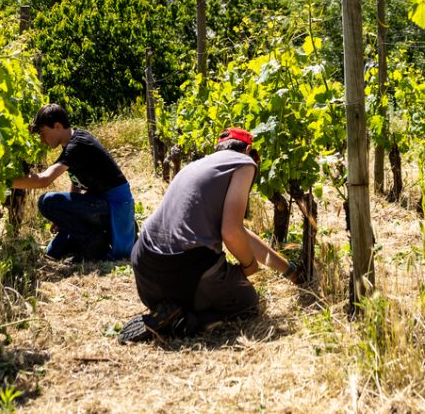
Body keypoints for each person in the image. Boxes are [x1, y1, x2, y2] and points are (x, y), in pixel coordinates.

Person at [121, 126, 299, 343]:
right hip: (185, 269)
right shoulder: (244, 163)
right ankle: (186, 321)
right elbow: (231, 231)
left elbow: (241, 233)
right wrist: (248, 265)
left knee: (207, 284)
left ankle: (170, 312)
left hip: (145, 268)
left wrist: (289, 271)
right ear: (249, 149)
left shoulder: (196, 166)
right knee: (249, 303)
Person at [12, 103, 136, 262]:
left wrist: (4, 181)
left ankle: (96, 242)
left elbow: (44, 180)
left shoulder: (78, 144)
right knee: (53, 252)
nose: (42, 140)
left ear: (57, 126)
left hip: (113, 205)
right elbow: (76, 183)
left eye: (43, 133)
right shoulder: (73, 143)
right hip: (101, 204)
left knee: (47, 202)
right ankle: (93, 241)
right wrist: (65, 214)